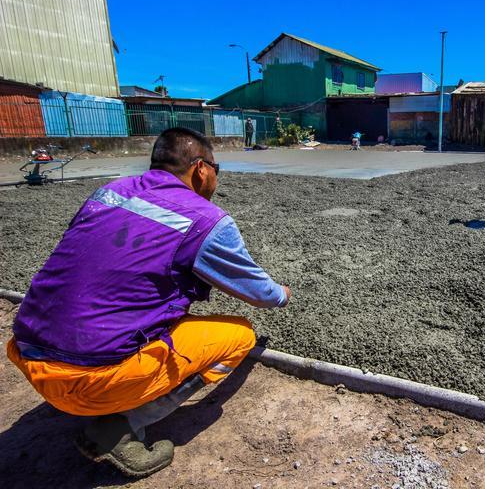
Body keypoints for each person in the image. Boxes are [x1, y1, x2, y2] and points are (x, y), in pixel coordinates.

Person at [7, 127, 291, 477]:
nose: (217, 178)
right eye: (217, 169)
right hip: (87, 379)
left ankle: (101, 392)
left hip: (27, 354)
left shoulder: (108, 192)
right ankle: (123, 424)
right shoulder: (206, 220)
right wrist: (282, 294)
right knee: (240, 336)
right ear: (201, 169)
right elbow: (260, 294)